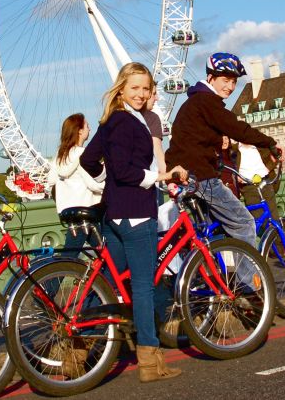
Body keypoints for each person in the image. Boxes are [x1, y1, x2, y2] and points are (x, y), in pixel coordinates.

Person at [80, 62, 185, 383]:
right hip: (137, 212)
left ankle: (79, 350)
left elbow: (87, 159)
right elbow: (126, 171)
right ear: (121, 88)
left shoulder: (110, 120)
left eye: (145, 88)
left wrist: (104, 180)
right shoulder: (128, 122)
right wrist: (161, 176)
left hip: (112, 213)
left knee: (114, 286)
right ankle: (151, 362)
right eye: (134, 88)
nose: (140, 94)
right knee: (142, 287)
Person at [165, 52, 284, 248]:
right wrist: (269, 142)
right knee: (244, 223)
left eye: (234, 82)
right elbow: (237, 129)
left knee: (213, 231)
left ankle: (220, 276)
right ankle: (250, 278)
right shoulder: (206, 101)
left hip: (186, 176)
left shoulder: (194, 103)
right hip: (202, 177)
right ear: (211, 77)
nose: (230, 87)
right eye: (225, 80)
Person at [48, 113, 104, 251]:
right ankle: (55, 273)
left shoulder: (59, 155)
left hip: (68, 211)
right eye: (87, 126)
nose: (90, 129)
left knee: (103, 253)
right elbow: (93, 184)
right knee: (69, 257)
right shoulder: (83, 154)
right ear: (79, 130)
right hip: (86, 210)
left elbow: (50, 181)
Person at [141, 83, 167, 174]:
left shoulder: (115, 116)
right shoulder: (152, 118)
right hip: (147, 180)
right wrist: (168, 177)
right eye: (154, 93)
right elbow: (157, 152)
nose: (157, 98)